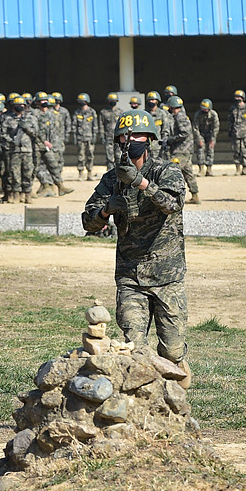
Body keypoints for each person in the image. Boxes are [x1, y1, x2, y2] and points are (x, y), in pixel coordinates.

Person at [82, 108, 190, 389]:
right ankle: (140, 404)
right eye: (124, 138)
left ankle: (176, 396)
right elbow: (88, 221)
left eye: (136, 137)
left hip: (167, 276)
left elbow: (172, 204)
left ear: (149, 140)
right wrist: (105, 211)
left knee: (173, 352)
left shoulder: (166, 171)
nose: (129, 142)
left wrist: (140, 183)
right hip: (131, 276)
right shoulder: (111, 179)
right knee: (132, 348)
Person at [228, 89, 246, 175]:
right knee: (236, 151)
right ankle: (237, 169)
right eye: (236, 97)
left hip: (245, 134)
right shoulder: (232, 108)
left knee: (244, 151)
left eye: (239, 97)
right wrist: (230, 130)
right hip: (235, 133)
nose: (237, 98)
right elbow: (230, 121)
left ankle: (244, 168)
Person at [192, 98, 219, 177]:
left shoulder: (214, 114)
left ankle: (209, 169)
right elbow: (195, 128)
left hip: (210, 134)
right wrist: (199, 139)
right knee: (200, 150)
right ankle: (201, 169)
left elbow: (216, 127)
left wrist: (212, 139)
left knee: (210, 149)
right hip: (201, 133)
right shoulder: (198, 114)